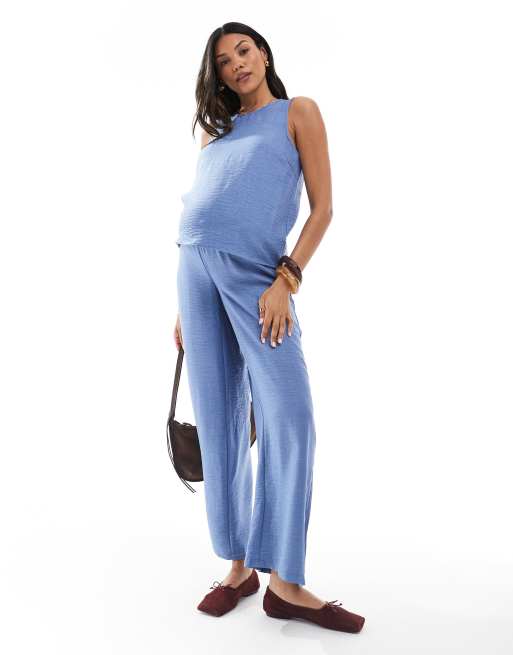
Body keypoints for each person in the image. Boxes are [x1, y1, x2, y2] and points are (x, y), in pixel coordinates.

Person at [173, 22, 365, 633]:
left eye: (244, 50)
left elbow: (323, 208)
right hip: (194, 272)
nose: (237, 64)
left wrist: (287, 279)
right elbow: (204, 208)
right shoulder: (216, 131)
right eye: (224, 60)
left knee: (289, 415)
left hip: (260, 278)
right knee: (220, 418)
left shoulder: (297, 112)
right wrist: (182, 307)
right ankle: (238, 567)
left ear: (263, 53)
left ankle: (286, 580)